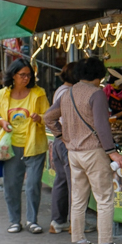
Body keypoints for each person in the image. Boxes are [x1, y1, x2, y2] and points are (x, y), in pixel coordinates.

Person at [44, 57, 122, 244]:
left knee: (79, 198)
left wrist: (61, 135)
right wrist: (112, 151)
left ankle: (80, 242)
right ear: (98, 76)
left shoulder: (68, 93)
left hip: (74, 153)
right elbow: (101, 125)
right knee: (104, 198)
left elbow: (48, 117)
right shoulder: (96, 93)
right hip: (94, 152)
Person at [0, 60, 50, 234]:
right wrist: (1, 121)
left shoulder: (38, 93)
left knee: (32, 185)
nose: (26, 78)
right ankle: (14, 220)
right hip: (9, 146)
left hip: (34, 144)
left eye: (28, 75)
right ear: (13, 75)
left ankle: (32, 220)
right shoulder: (2, 94)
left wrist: (39, 118)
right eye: (22, 75)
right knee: (11, 185)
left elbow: (48, 114)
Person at [48, 63, 79, 234]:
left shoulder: (60, 90)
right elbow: (57, 118)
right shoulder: (68, 92)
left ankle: (58, 221)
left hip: (59, 141)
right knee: (74, 182)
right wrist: (62, 135)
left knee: (61, 180)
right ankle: (75, 223)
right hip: (67, 140)